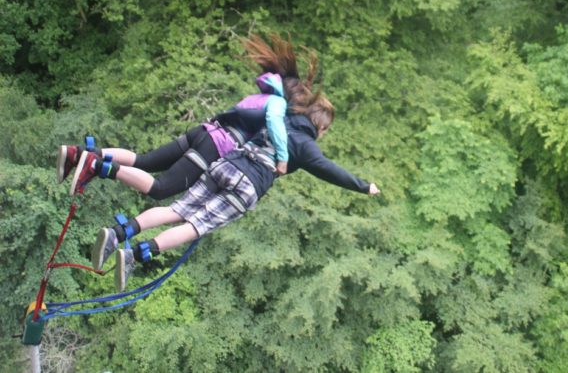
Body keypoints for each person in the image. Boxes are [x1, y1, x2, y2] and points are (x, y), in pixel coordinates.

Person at [91, 95, 380, 291]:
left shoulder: (276, 120)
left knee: (176, 210)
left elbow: (241, 114)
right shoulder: (306, 145)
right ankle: (135, 256)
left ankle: (119, 232)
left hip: (226, 163)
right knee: (194, 226)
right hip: (247, 185)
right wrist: (363, 186)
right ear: (322, 126)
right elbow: (328, 169)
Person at [57, 34, 317, 200]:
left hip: (205, 132)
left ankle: (77, 154)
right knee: (160, 189)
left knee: (144, 161)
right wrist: (283, 159)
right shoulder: (277, 104)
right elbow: (274, 124)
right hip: (217, 146)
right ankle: (96, 165)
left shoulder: (261, 95)